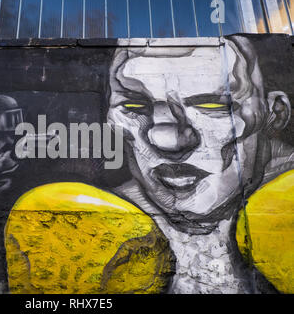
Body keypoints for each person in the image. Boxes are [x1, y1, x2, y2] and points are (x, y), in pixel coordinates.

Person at [106, 36, 292, 293]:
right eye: (135, 105)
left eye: (212, 105)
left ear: (274, 114)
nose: (168, 139)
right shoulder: (103, 227)